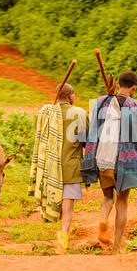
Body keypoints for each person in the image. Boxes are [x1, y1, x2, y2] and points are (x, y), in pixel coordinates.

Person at [81, 71, 137, 254]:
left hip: (103, 158)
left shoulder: (101, 103)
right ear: (134, 88)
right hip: (125, 161)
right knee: (122, 203)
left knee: (107, 197)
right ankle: (116, 247)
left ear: (118, 84)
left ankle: (103, 218)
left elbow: (93, 129)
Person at [28, 83, 89, 254]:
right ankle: (63, 239)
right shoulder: (79, 113)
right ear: (70, 96)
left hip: (49, 166)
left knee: (58, 199)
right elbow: (87, 141)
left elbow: (39, 134)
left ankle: (58, 229)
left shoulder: (45, 113)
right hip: (72, 165)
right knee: (68, 204)